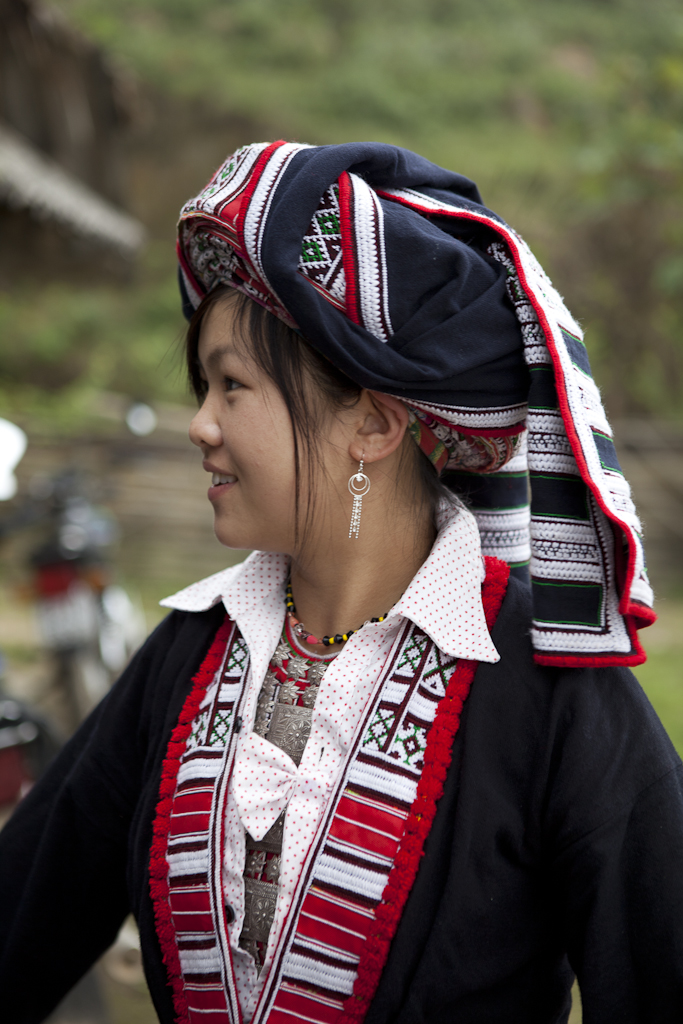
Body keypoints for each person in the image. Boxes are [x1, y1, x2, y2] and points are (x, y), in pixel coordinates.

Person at [1, 141, 682, 1024]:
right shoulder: (187, 656)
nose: (200, 424)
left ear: (371, 422)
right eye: (202, 385)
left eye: (232, 385)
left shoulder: (552, 699)